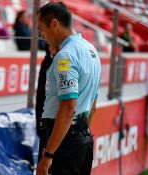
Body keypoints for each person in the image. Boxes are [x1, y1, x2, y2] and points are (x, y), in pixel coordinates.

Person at [36, 2, 101, 175]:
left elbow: (68, 108)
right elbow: (93, 105)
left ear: (55, 24)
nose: (42, 35)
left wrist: (48, 154)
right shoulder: (91, 50)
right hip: (82, 137)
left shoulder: (66, 55)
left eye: (41, 28)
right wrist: (81, 134)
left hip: (64, 142)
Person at [35, 44, 59, 161]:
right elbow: (40, 97)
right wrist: (39, 123)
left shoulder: (63, 63)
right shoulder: (47, 63)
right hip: (46, 122)